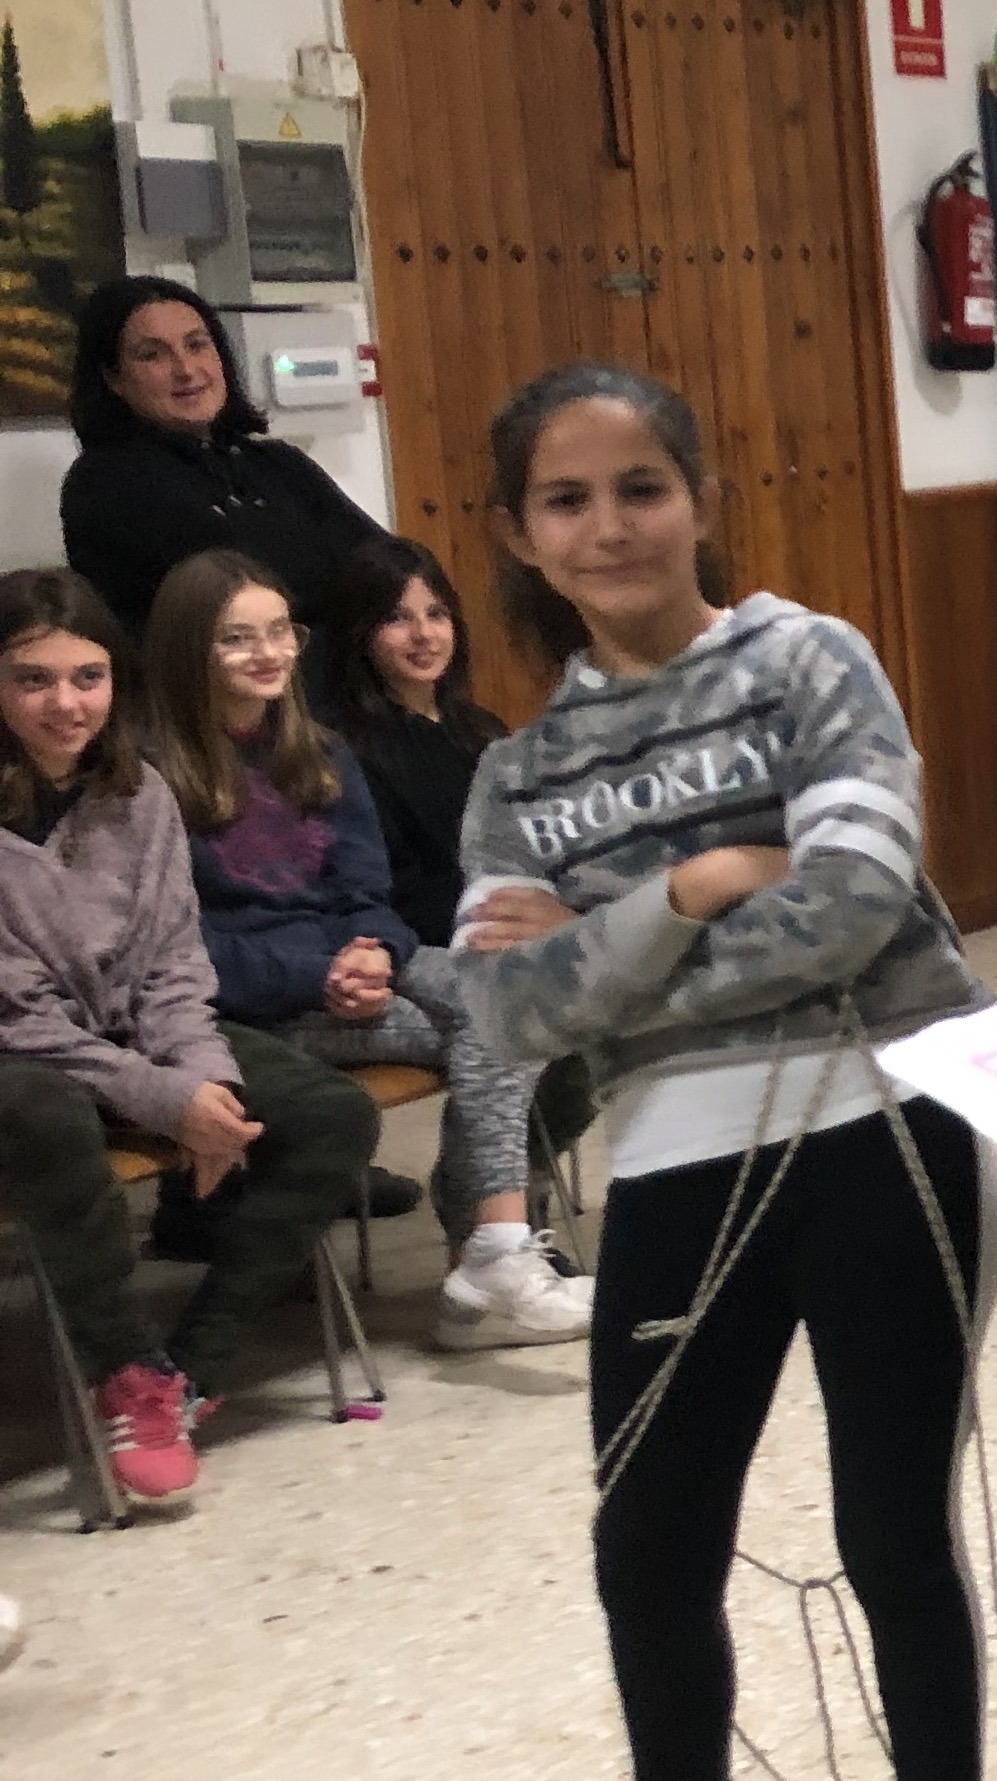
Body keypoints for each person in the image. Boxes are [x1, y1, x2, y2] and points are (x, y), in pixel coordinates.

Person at [457, 363, 997, 1781]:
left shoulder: (808, 662)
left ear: (698, 497)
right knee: (649, 1540)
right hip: (674, 1173)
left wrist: (604, 948)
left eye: (641, 487)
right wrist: (696, 881)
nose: (610, 525)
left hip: (884, 1128)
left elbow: (854, 904)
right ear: (520, 534)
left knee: (892, 1532)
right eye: (567, 500)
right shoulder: (517, 771)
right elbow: (505, 1014)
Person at [146, 550, 589, 1345]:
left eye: (280, 631)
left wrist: (374, 948)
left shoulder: (317, 750)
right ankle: (487, 1258)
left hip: (359, 964)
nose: (268, 652)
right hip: (261, 1001)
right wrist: (320, 974)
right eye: (237, 638)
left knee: (518, 996)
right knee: (496, 1033)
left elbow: (366, 889)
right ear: (190, 649)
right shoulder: (153, 776)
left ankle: (486, 1259)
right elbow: (178, 944)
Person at [0, 567, 375, 1503]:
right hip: (24, 1059)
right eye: (32, 679)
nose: (66, 704)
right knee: (49, 1116)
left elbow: (174, 964)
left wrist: (207, 1080)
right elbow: (19, 1018)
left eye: (87, 677)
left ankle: (185, 1373)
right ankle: (122, 1368)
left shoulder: (141, 795)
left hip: (134, 1038)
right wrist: (169, 1100)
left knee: (330, 1114)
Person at [315, 536, 596, 1221]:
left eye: (436, 613)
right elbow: (387, 888)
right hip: (411, 945)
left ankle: (506, 1189)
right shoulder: (345, 746)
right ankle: (483, 1224)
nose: (423, 634)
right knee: (516, 1022)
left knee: (607, 1009)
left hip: (494, 932)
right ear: (360, 635)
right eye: (397, 618)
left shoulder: (478, 729)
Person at [58, 275, 383, 634]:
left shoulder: (280, 464)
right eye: (153, 355)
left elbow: (387, 568)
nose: (186, 370)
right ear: (113, 379)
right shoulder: (105, 483)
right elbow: (234, 600)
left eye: (197, 345)